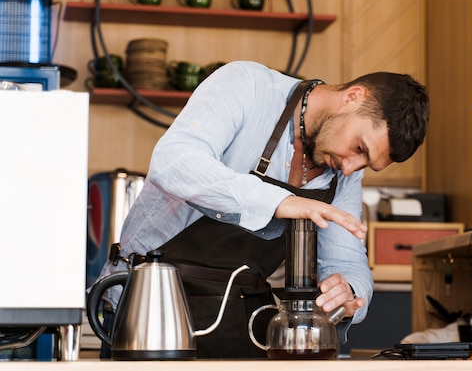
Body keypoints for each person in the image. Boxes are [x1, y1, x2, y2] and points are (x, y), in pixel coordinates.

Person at [93, 60, 429, 358]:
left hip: (236, 329)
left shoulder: (343, 173)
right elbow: (175, 162)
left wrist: (350, 290)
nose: (351, 168)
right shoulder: (247, 86)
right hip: (150, 312)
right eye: (359, 148)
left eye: (366, 164)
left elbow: (345, 260)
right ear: (354, 96)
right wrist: (280, 202)